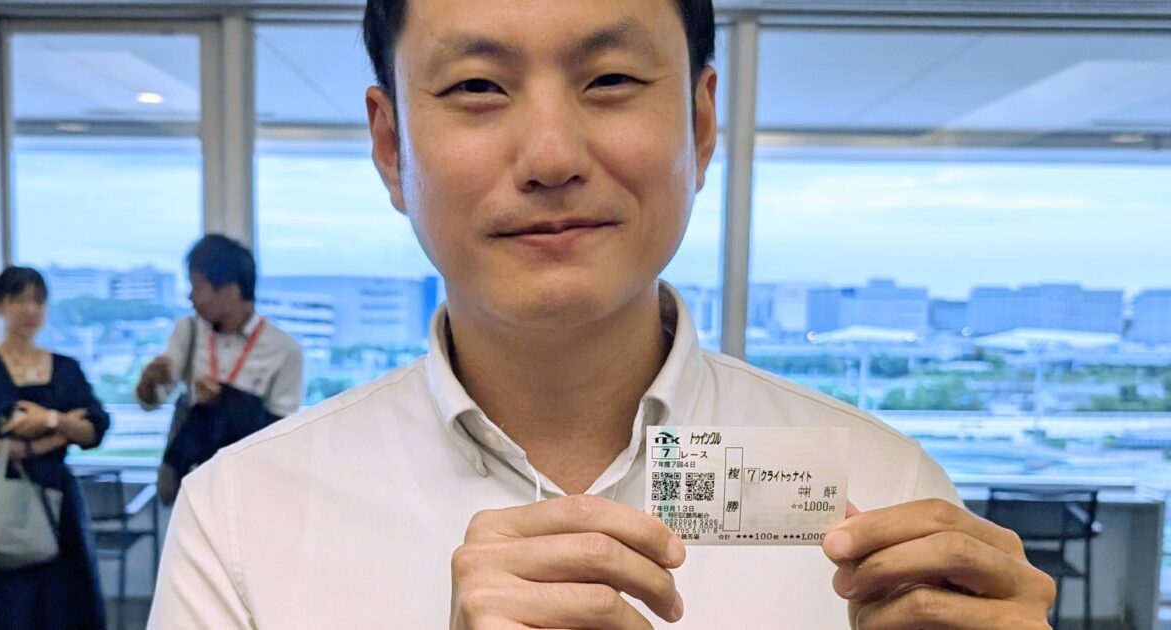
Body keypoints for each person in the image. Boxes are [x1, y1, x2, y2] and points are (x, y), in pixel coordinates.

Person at [148, 0, 1056, 627]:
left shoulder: (887, 490)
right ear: (391, 147)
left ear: (700, 124)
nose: (551, 156)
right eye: (477, 87)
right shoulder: (240, 517)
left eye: (612, 77)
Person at [0, 266, 111, 630]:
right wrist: (59, 432)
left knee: (66, 603)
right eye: (19, 299)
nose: (30, 309)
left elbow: (94, 428)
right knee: (10, 605)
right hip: (7, 500)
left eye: (38, 300)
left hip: (59, 500)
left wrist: (49, 420)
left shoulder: (66, 369)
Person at [135, 234, 303, 503]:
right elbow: (153, 400)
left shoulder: (284, 349)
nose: (191, 298)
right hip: (194, 479)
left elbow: (282, 431)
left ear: (230, 291)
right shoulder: (188, 331)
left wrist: (227, 401)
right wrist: (149, 383)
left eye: (197, 287)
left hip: (251, 484)